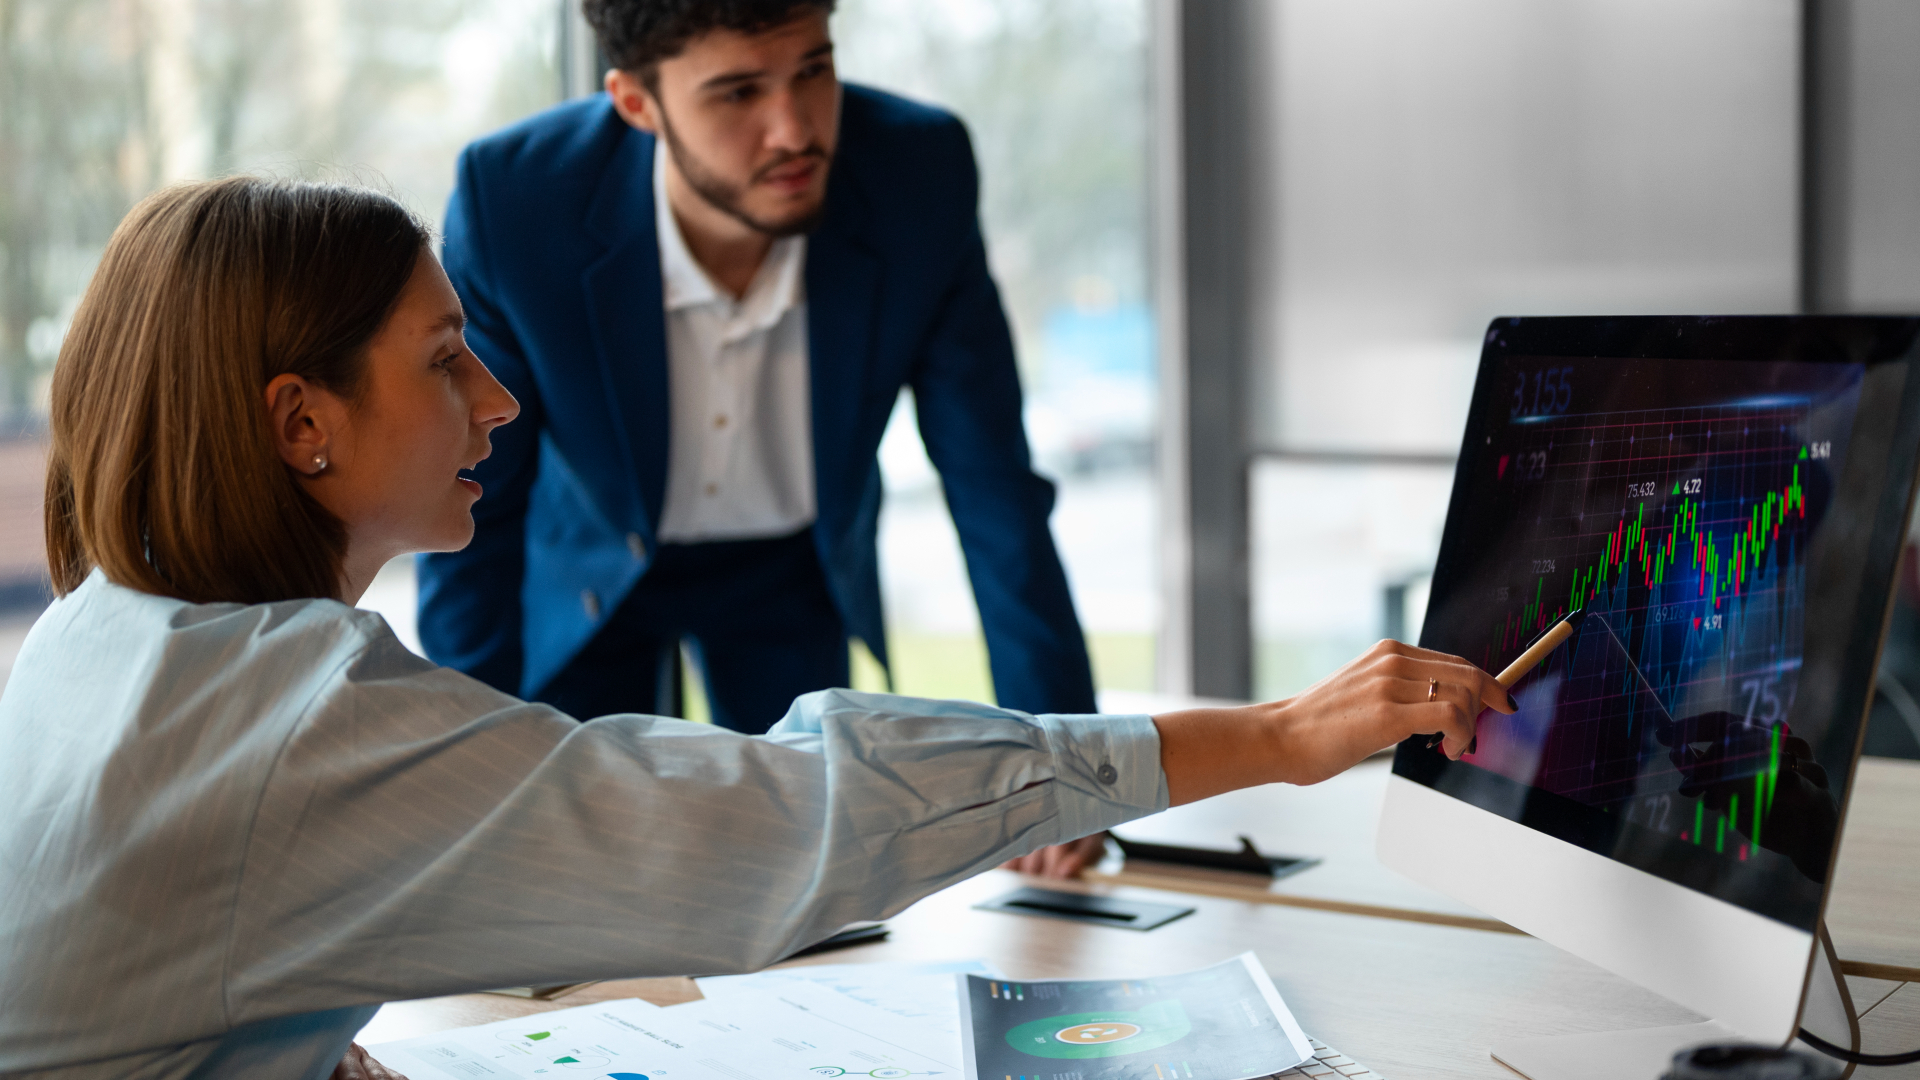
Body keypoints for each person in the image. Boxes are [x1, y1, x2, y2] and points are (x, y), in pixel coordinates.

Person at [0, 177, 1509, 1080]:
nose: (500, 402)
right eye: (447, 358)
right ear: (301, 424)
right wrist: (1273, 735)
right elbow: (774, 820)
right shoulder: (286, 716)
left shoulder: (101, 642)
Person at [414, 0, 1098, 741]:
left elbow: (994, 489)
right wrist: (467, 747)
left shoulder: (918, 175)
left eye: (814, 70)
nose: (797, 129)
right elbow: (476, 498)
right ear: (636, 102)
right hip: (591, 567)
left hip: (791, 569)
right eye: (739, 92)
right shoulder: (516, 200)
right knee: (588, 837)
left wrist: (1062, 754)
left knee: (806, 836)